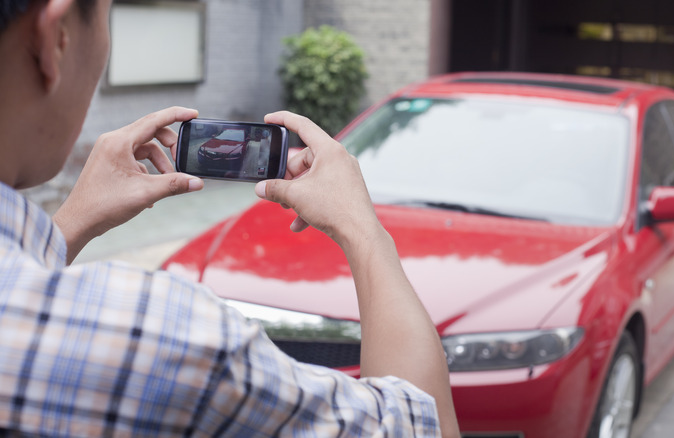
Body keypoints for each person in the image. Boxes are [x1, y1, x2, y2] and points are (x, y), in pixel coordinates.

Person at [0, 0, 459, 436]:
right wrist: (363, 230)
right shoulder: (162, 334)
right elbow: (423, 424)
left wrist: (70, 225)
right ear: (53, 38)